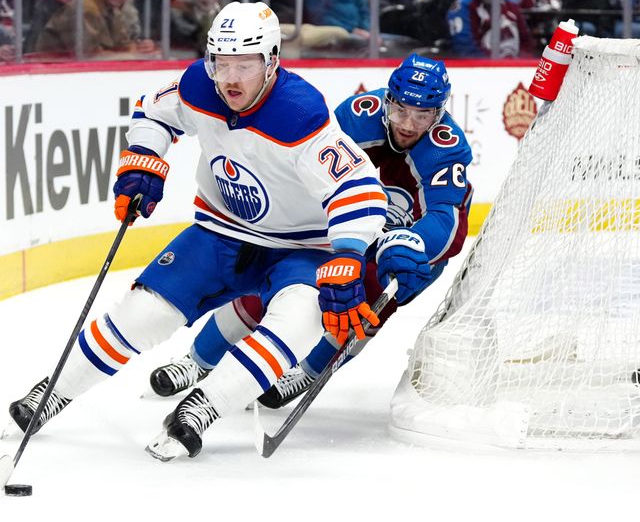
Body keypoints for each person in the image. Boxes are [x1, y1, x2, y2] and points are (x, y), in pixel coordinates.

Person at [7, 2, 388, 461]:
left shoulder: (299, 113)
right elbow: (153, 113)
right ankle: (52, 392)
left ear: (271, 62)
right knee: (143, 313)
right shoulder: (196, 85)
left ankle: (202, 409)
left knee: (298, 321)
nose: (230, 78)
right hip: (222, 230)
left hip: (302, 246)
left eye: (244, 65)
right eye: (221, 63)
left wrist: (347, 252)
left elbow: (359, 186)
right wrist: (144, 160)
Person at [149, 54, 474, 410]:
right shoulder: (358, 115)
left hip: (408, 243)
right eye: (401, 111)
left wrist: (414, 242)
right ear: (388, 101)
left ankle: (306, 371)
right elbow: (310, 174)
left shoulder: (447, 147)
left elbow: (446, 218)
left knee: (366, 304)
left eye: (423, 115)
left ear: (439, 114)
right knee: (278, 279)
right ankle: (198, 361)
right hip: (345, 224)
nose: (409, 125)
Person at [35, 0, 156, 58]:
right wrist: (131, 54)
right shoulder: (84, 9)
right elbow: (91, 56)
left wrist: (141, 48)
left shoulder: (112, 9)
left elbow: (122, 44)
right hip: (50, 76)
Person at [447, 0, 536, 58]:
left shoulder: (510, 5)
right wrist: (497, 65)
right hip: (480, 72)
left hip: (513, 69)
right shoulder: (463, 6)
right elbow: (465, 50)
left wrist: (520, 64)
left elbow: (527, 43)